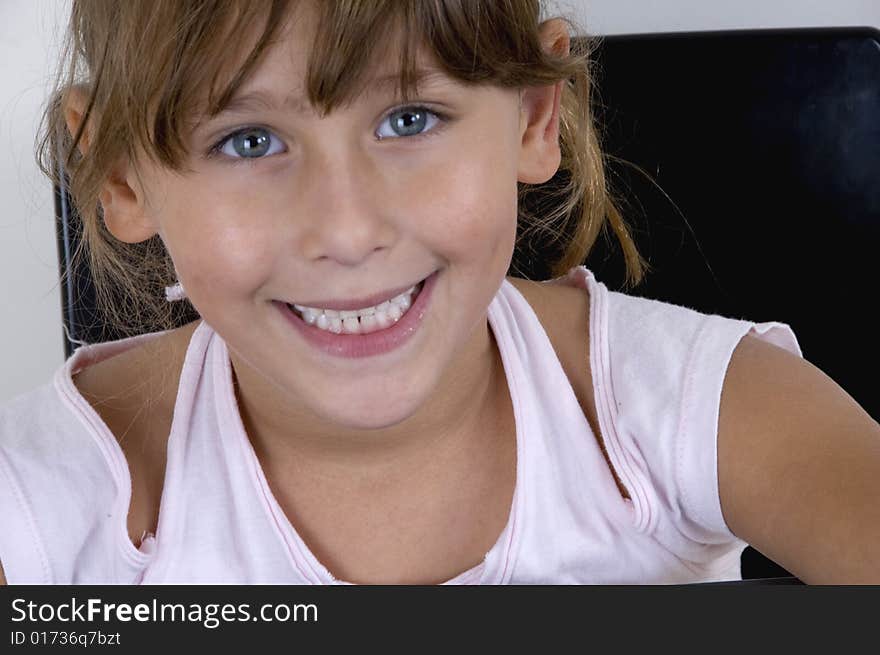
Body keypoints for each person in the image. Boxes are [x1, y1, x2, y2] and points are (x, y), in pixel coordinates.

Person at [1, 0, 878, 586]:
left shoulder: (688, 408)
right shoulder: (45, 499)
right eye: (249, 140)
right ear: (119, 175)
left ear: (534, 118)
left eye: (408, 119)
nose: (347, 231)